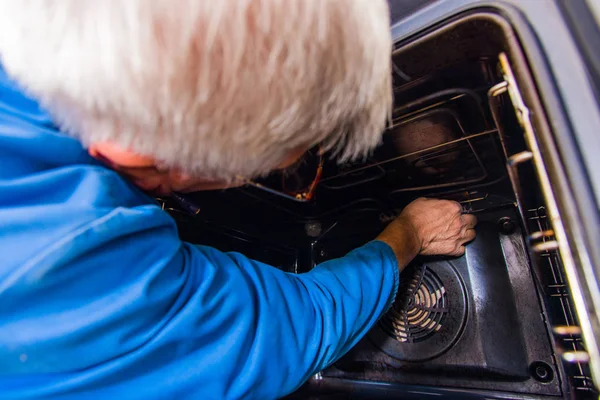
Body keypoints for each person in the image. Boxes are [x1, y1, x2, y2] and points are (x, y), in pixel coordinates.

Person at [0, 1, 476, 399]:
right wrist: (409, 234)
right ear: (141, 159)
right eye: (260, 171)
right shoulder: (79, 273)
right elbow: (299, 323)